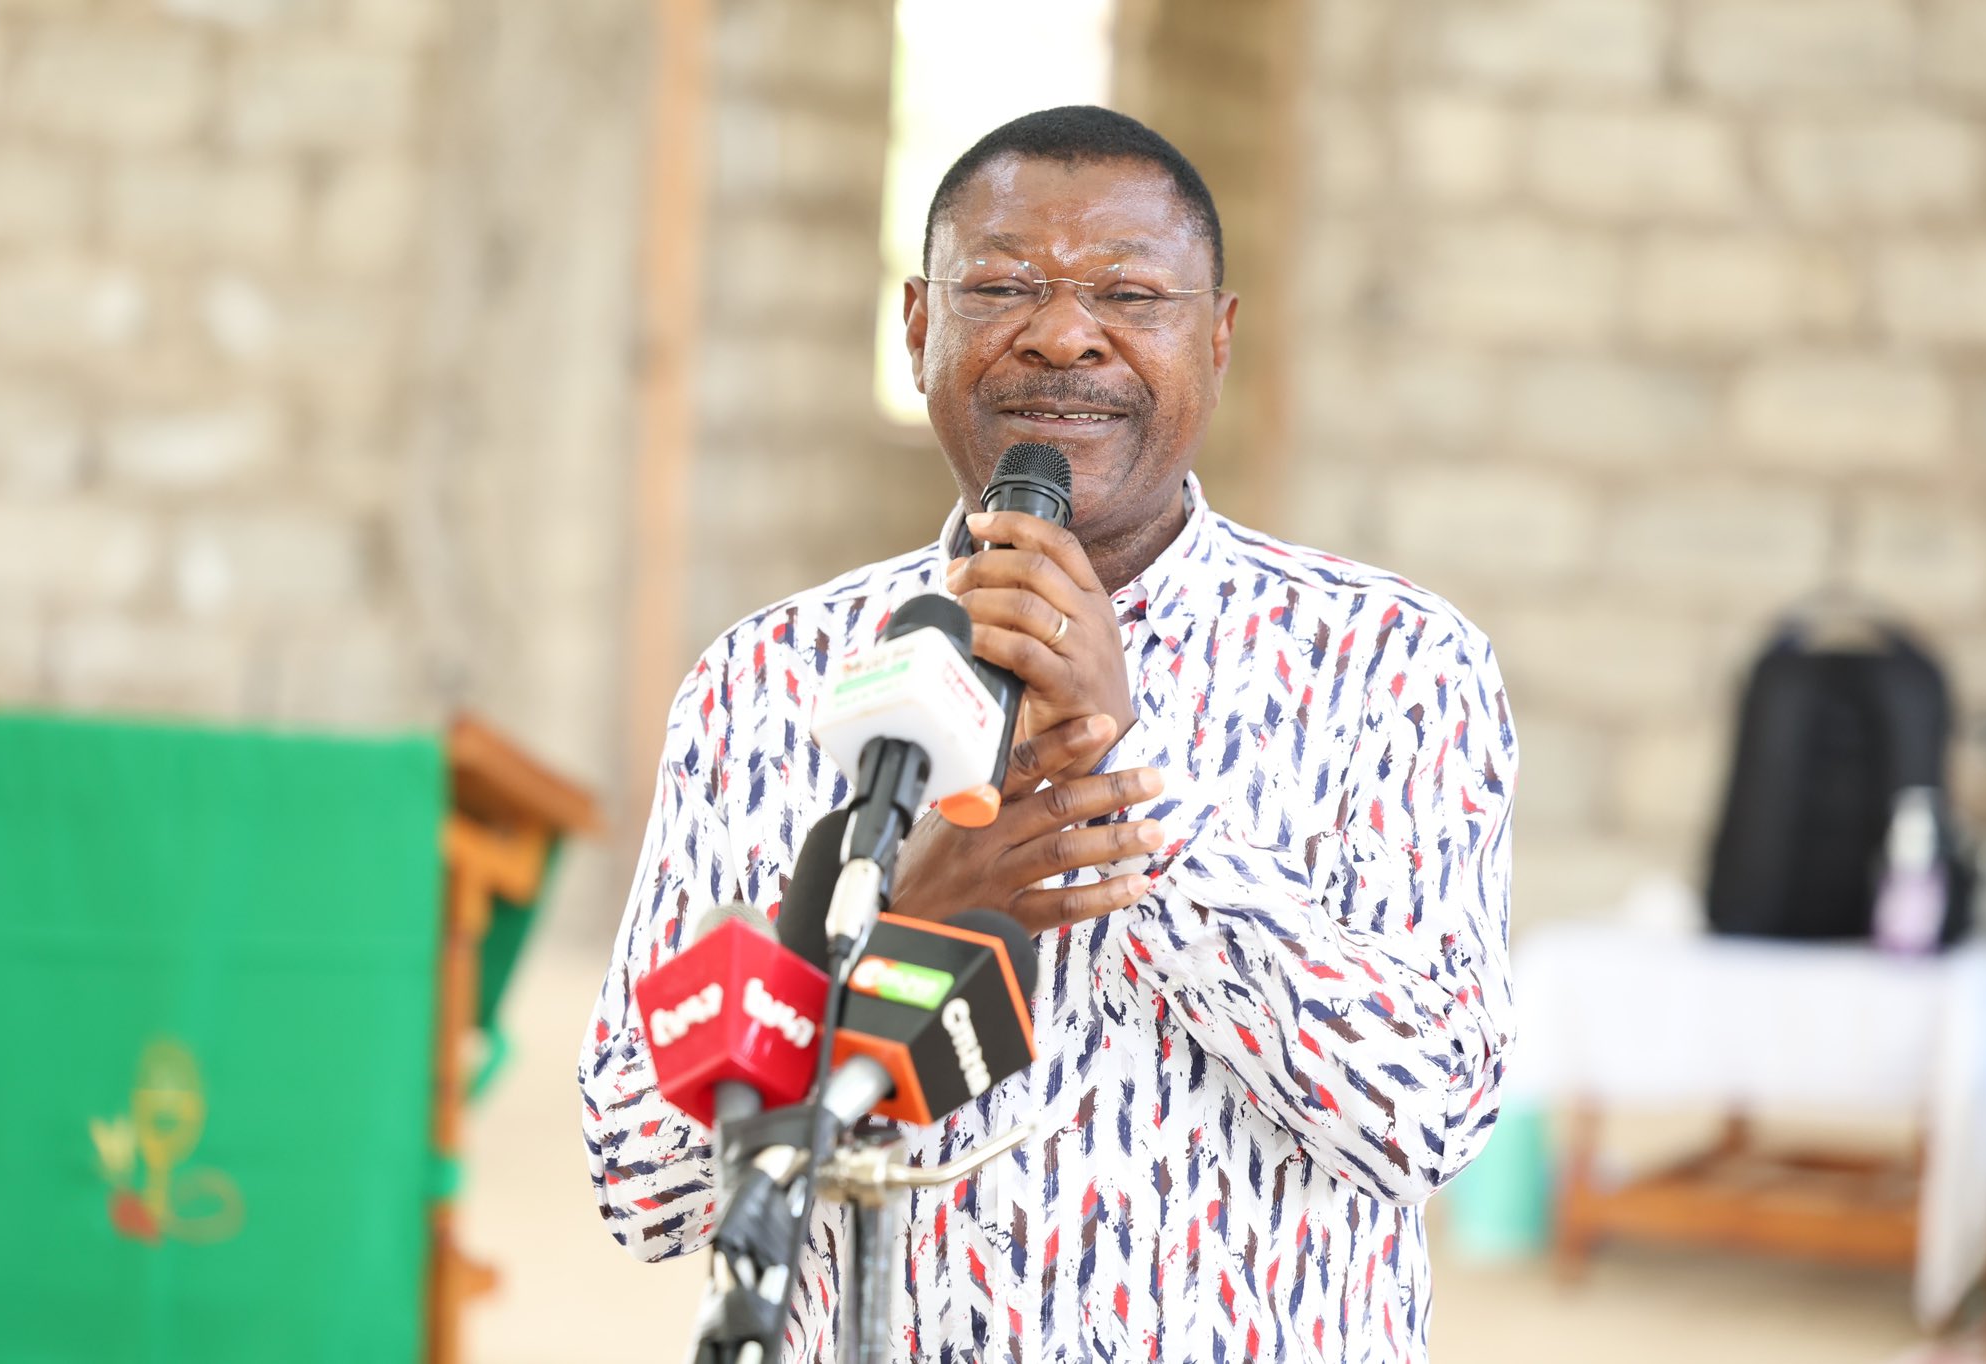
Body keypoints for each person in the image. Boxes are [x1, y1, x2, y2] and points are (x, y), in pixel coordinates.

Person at [581, 105, 1516, 1364]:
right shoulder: (761, 677)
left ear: (1217, 336)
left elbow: (1426, 1115)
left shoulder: (1394, 664)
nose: (1065, 333)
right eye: (1006, 285)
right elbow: (640, 1176)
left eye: (1129, 292)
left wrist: (1119, 757)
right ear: (919, 326)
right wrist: (884, 940)